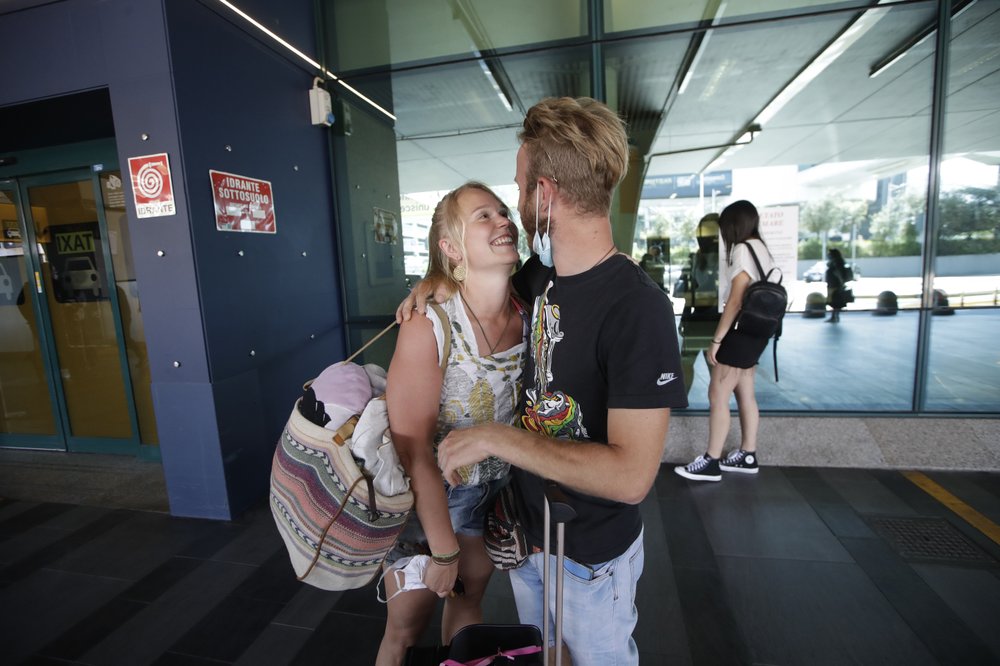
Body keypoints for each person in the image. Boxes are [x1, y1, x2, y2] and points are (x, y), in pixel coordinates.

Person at [404, 97, 688, 666]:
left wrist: (493, 437)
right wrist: (434, 280)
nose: (513, 204)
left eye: (519, 185)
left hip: (590, 560)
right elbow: (469, 276)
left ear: (546, 195)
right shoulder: (541, 278)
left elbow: (633, 476)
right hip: (533, 539)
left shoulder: (638, 308)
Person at [375, 182, 528, 666]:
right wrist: (441, 551)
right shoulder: (430, 322)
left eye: (503, 212)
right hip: (427, 507)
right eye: (484, 216)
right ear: (451, 247)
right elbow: (410, 446)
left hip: (492, 493)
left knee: (467, 607)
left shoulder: (530, 311)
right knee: (403, 632)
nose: (503, 220)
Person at [674, 200, 777, 481]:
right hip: (757, 333)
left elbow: (734, 300)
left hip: (739, 334)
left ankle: (711, 461)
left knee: (717, 395)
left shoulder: (742, 249)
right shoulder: (761, 248)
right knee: (746, 394)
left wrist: (717, 340)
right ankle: (748, 454)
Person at [825, 248, 850, 323]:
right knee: (834, 301)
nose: (828, 255)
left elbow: (838, 273)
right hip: (833, 284)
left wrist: (841, 283)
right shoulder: (837, 261)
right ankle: (834, 316)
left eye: (829, 253)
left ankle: (834, 317)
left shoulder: (836, 262)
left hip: (835, 285)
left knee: (835, 301)